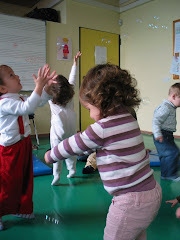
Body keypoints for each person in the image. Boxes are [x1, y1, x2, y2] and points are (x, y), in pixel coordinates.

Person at [45, 63, 162, 240]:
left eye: (90, 109)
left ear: (102, 102)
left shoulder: (101, 129)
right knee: (137, 233)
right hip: (152, 193)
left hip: (129, 202)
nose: (91, 115)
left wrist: (50, 155)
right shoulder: (129, 117)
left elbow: (73, 144)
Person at [0, 64, 57, 230]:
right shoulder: (4, 103)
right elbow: (27, 108)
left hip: (23, 145)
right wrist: (38, 86)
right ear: (2, 88)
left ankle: (21, 209)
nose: (17, 76)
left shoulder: (18, 98)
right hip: (9, 150)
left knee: (24, 179)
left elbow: (37, 103)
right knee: (6, 183)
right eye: (11, 75)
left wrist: (45, 89)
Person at [49, 51, 81, 186]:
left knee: (56, 154)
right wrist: (75, 63)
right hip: (71, 130)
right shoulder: (70, 96)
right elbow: (72, 78)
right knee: (71, 151)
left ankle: (56, 176)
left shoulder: (50, 99)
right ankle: (72, 170)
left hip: (57, 133)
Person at [152, 83, 180, 181]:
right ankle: (170, 175)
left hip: (167, 134)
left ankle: (165, 175)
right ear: (174, 96)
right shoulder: (166, 107)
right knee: (173, 152)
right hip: (162, 134)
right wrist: (158, 134)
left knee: (165, 155)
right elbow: (156, 120)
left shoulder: (170, 107)